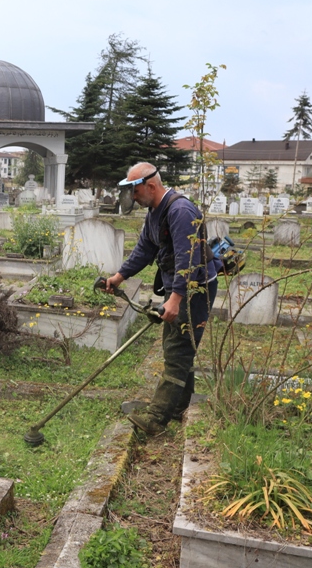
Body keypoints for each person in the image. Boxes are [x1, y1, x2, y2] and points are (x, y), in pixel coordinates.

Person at [102, 162, 223, 435]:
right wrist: (119, 277)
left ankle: (157, 419)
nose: (133, 198)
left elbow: (188, 260)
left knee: (178, 350)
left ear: (151, 186)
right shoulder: (155, 212)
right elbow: (145, 248)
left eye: (135, 191)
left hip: (195, 289)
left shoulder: (179, 211)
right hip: (178, 287)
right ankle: (180, 406)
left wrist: (176, 299)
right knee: (178, 346)